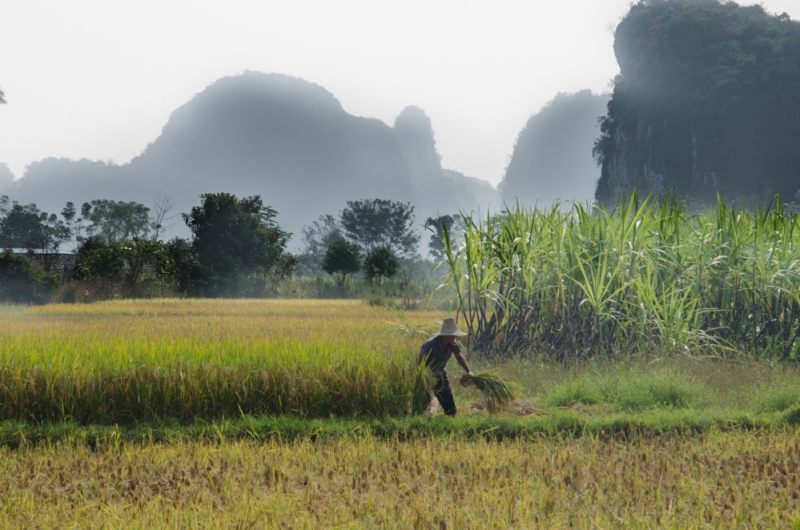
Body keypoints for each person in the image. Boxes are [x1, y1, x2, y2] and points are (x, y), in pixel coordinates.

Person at [418, 317, 473, 416]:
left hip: (440, 376)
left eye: (455, 335)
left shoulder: (453, 344)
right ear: (445, 335)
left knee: (449, 405)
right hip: (426, 375)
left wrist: (468, 371)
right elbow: (420, 361)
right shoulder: (430, 344)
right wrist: (423, 376)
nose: (454, 337)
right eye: (452, 335)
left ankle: (450, 418)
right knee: (423, 401)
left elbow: (459, 357)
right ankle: (417, 418)